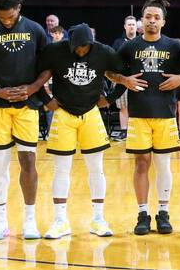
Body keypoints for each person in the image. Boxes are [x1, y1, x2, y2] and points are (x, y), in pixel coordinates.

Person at [39, 24, 128, 238]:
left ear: (91, 43)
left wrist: (110, 99)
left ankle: (98, 219)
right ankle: (60, 221)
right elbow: (36, 75)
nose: (80, 51)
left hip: (90, 113)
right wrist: (46, 100)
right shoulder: (55, 51)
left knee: (96, 168)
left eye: (84, 48)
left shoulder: (104, 52)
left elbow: (125, 75)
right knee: (61, 169)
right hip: (63, 113)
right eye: (76, 48)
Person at [0, 0, 49, 241]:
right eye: (1, 17)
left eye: (10, 16)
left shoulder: (36, 30)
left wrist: (32, 88)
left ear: (19, 8)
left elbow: (48, 68)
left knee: (28, 162)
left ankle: (30, 220)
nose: (6, 21)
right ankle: (0, 221)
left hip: (27, 107)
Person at [117, 0, 180, 236]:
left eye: (156, 17)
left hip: (165, 114)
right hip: (138, 114)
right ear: (141, 20)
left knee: (163, 165)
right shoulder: (130, 47)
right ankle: (142, 213)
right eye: (147, 16)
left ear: (163, 22)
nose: (151, 21)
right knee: (141, 164)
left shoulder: (174, 46)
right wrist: (123, 79)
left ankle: (163, 211)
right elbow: (111, 71)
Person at [111, 15, 139, 140]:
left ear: (136, 27)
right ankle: (124, 131)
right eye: (129, 24)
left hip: (138, 78)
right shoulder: (118, 43)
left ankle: (136, 131)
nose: (131, 27)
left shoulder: (141, 41)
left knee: (138, 106)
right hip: (122, 79)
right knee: (123, 107)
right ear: (125, 26)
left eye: (133, 24)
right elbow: (112, 60)